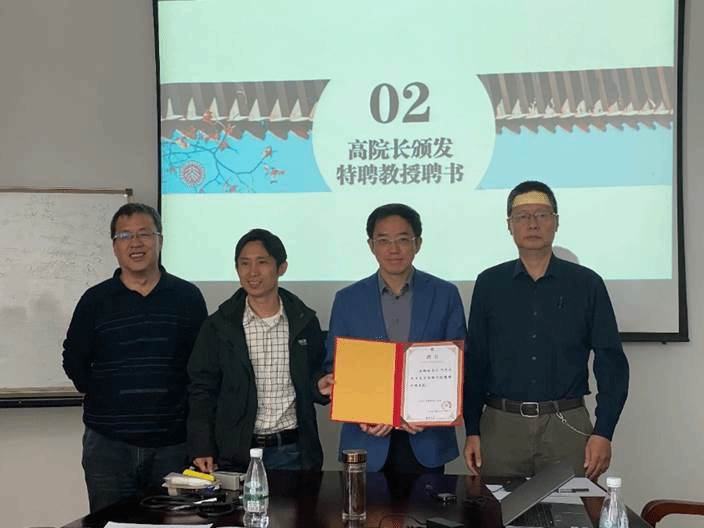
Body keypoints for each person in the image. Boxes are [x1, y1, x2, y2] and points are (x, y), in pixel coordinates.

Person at [463, 180, 629, 481]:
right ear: (509, 225)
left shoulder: (586, 283)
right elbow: (475, 361)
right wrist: (472, 429)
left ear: (556, 222)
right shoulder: (489, 283)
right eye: (522, 216)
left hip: (567, 424)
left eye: (542, 214)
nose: (532, 224)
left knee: (573, 508)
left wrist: (604, 430)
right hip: (500, 426)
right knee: (496, 507)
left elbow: (611, 362)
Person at [62, 203, 208, 512]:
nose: (135, 243)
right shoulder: (95, 300)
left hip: (173, 445)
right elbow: (73, 358)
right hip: (108, 447)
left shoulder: (188, 298)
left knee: (178, 524)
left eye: (144, 234)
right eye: (125, 235)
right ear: (114, 246)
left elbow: (201, 368)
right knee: (110, 522)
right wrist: (102, 394)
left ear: (160, 240)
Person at [320, 203, 467, 473]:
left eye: (402, 239)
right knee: (365, 503)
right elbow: (335, 366)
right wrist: (361, 412)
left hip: (427, 439)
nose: (394, 249)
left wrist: (429, 412)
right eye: (384, 241)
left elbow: (458, 364)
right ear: (371, 245)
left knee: (430, 503)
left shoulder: (445, 294)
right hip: (366, 439)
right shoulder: (348, 300)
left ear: (418, 243)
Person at [187, 228, 328, 472]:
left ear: (281, 267)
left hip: (292, 451)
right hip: (235, 454)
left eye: (262, 262)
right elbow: (201, 389)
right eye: (244, 263)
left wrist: (319, 385)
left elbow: (314, 375)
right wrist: (202, 445)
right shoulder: (218, 326)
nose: (252, 272)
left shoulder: (304, 321)